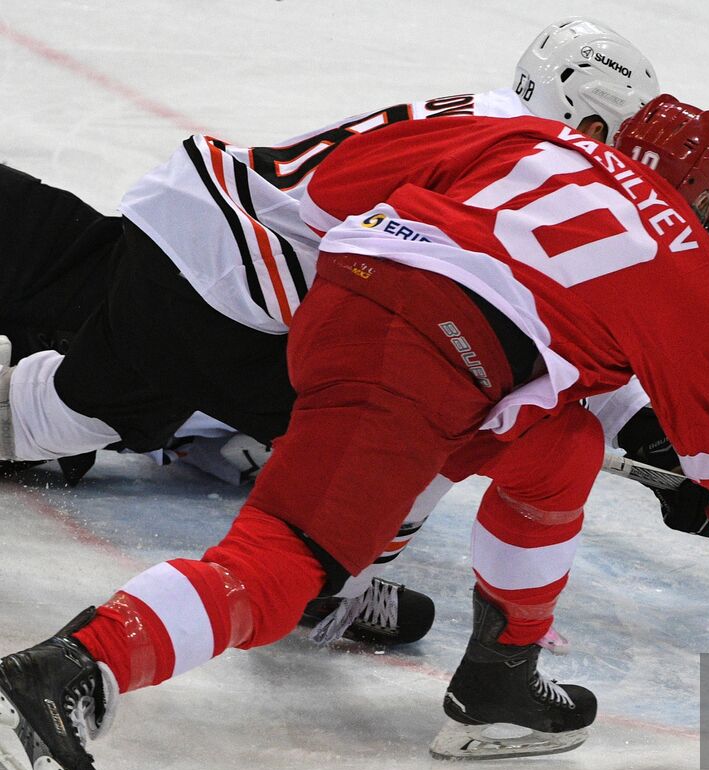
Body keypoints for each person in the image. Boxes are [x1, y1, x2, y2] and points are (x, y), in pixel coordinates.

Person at [0, 94, 709, 770]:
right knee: (283, 567)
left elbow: (342, 179)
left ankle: (500, 681)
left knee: (562, 447)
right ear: (704, 201)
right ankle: (69, 670)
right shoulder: (693, 264)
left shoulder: (532, 135)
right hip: (421, 348)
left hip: (346, 298)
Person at [0, 16, 660, 647]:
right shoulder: (529, 170)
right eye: (625, 145)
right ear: (589, 117)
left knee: (59, 407)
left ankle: (232, 455)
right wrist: (651, 418)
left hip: (188, 224)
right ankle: (332, 571)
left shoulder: (484, 116)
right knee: (446, 396)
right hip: (239, 287)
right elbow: (524, 336)